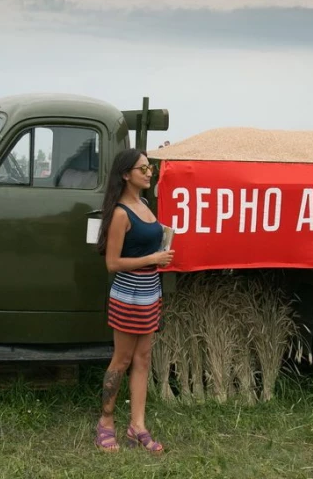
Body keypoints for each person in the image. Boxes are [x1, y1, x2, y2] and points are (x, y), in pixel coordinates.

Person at [94, 148, 173, 454]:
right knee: (123, 360)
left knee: (143, 360)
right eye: (143, 168)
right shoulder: (119, 213)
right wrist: (153, 257)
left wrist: (161, 254)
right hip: (128, 295)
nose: (149, 172)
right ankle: (106, 421)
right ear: (126, 174)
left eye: (150, 167)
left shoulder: (145, 206)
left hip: (150, 291)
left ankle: (137, 425)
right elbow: (112, 263)